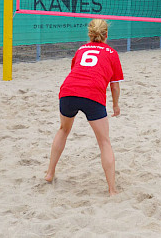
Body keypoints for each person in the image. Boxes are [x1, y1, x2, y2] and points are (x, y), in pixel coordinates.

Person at [45, 19, 124, 196]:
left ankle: (50, 173)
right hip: (92, 94)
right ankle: (112, 190)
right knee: (104, 142)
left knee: (63, 130)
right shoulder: (111, 52)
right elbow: (115, 86)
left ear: (89, 34)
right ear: (106, 35)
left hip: (68, 91)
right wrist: (116, 105)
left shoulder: (81, 49)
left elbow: (76, 70)